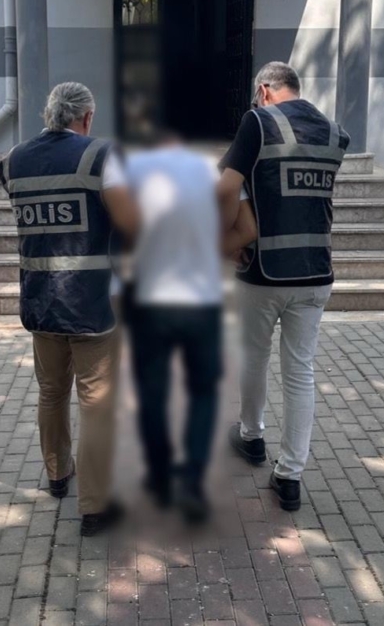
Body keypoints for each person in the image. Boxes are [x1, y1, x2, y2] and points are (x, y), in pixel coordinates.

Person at [0, 82, 139, 537]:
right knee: (96, 401)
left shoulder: (13, 161)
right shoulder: (102, 156)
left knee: (51, 391)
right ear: (87, 117)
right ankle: (95, 506)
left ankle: (58, 474)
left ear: (49, 114)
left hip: (40, 300)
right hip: (93, 303)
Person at [218, 62, 349, 512]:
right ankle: (290, 476)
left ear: (264, 90)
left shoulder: (258, 121)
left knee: (254, 356)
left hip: (264, 271)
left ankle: (252, 437)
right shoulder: (335, 133)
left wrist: (224, 242)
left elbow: (226, 187)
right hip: (316, 271)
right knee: (300, 372)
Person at [125, 136, 257, 523]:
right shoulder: (216, 180)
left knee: (153, 390)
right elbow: (248, 230)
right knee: (202, 391)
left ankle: (159, 476)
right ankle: (193, 482)